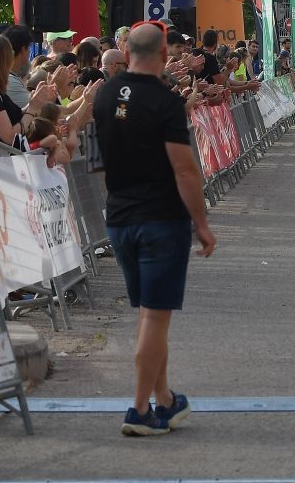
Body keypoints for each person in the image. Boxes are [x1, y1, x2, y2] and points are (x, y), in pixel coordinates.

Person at [93, 22, 216, 437]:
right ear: (164, 54)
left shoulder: (105, 93)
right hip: (161, 218)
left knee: (148, 313)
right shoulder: (165, 101)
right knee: (155, 316)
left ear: (125, 52)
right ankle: (139, 408)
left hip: (120, 218)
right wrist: (201, 223)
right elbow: (185, 170)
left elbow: (98, 158)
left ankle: (163, 398)